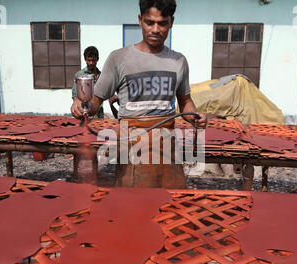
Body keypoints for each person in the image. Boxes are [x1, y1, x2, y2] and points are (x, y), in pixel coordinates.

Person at [71, 0, 207, 188]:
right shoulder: (119, 58)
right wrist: (82, 104)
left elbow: (184, 100)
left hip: (167, 144)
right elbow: (96, 100)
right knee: (133, 206)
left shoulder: (178, 61)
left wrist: (194, 116)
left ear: (171, 22)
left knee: (171, 204)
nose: (156, 29)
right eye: (150, 22)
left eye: (163, 23)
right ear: (140, 20)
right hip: (131, 143)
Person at [72, 46, 108, 118]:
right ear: (85, 59)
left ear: (97, 59)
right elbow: (75, 95)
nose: (91, 63)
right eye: (89, 60)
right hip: (84, 115)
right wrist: (76, 103)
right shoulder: (80, 75)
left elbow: (105, 94)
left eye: (93, 60)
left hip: (99, 115)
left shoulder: (102, 76)